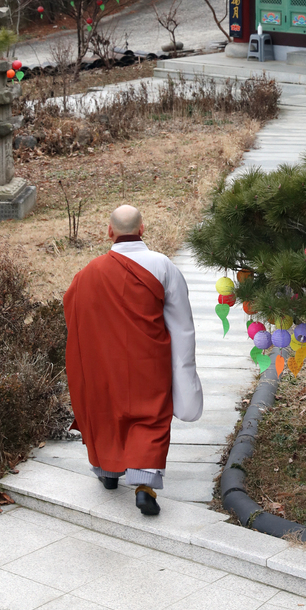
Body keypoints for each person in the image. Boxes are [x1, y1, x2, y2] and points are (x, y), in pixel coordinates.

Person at [63, 204, 202, 516]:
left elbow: (73, 312)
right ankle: (144, 486)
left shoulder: (89, 273)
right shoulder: (162, 265)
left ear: (109, 232)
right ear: (142, 229)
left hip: (105, 364)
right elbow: (182, 324)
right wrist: (185, 369)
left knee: (106, 412)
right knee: (149, 418)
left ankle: (108, 473)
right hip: (148, 362)